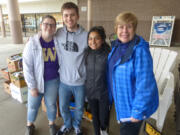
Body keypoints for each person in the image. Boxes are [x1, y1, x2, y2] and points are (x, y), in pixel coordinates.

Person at [107, 12, 159, 135]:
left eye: (129, 26)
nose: (124, 30)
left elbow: (145, 85)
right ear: (116, 29)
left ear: (134, 29)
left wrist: (138, 111)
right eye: (121, 27)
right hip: (122, 101)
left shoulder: (140, 51)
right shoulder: (117, 46)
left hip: (132, 109)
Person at [23, 15, 59, 135]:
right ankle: (30, 125)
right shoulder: (32, 43)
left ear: (55, 28)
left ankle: (52, 123)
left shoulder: (58, 41)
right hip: (37, 82)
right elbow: (27, 67)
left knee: (51, 105)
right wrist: (32, 86)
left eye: (52, 25)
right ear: (41, 26)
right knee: (33, 106)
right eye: (46, 24)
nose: (48, 27)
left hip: (53, 80)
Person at [55, 2, 87, 135]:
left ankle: (77, 125)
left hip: (80, 81)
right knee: (63, 107)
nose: (69, 18)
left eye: (72, 15)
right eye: (66, 15)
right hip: (63, 81)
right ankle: (67, 125)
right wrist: (33, 39)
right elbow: (44, 35)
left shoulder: (86, 35)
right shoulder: (58, 33)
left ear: (78, 16)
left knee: (79, 108)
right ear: (62, 17)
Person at [85, 26, 111, 135]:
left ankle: (103, 129)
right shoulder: (86, 53)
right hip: (90, 92)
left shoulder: (108, 54)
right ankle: (97, 133)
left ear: (102, 39)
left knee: (103, 117)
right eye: (90, 38)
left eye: (96, 38)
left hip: (104, 93)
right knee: (95, 117)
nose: (93, 41)